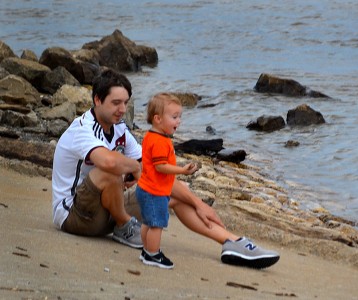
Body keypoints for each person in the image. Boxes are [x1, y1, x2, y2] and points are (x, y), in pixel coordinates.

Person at [51, 69, 280, 269]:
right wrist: (134, 168)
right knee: (112, 169)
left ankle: (232, 243)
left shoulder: (119, 129)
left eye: (126, 102)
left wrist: (199, 204)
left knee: (166, 194)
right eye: (115, 103)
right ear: (98, 100)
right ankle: (123, 225)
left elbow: (156, 173)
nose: (122, 109)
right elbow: (109, 164)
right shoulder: (82, 129)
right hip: (75, 216)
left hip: (106, 212)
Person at [136, 93, 198, 269]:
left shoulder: (151, 136)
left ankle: (147, 251)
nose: (178, 121)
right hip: (154, 191)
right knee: (156, 224)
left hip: (146, 188)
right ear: (157, 119)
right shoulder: (160, 141)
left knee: (148, 222)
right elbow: (161, 166)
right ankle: (153, 254)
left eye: (179, 117)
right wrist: (182, 170)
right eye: (174, 117)